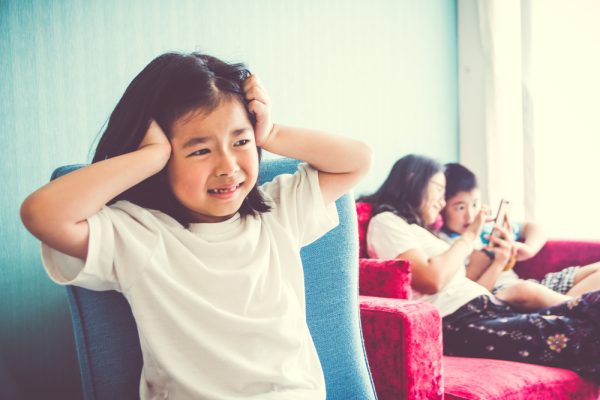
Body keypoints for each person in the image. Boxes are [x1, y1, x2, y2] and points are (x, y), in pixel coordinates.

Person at [20, 51, 372, 399]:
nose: (228, 166)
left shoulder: (278, 212)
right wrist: (150, 157)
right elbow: (42, 214)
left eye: (241, 141)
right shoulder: (139, 235)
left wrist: (272, 132)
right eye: (199, 151)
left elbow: (357, 161)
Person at [362, 154, 600, 383]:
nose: (442, 202)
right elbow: (431, 279)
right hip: (457, 320)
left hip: (484, 307)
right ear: (412, 179)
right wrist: (469, 237)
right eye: (439, 189)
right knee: (576, 334)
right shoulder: (386, 222)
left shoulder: (416, 230)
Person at [441, 162, 600, 311]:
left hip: (530, 286)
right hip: (502, 295)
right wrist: (496, 262)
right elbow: (472, 298)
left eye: (475, 204)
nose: (470, 215)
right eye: (460, 207)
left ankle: (569, 308)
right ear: (442, 207)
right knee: (524, 290)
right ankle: (576, 310)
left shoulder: (487, 228)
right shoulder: (445, 244)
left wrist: (528, 249)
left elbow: (536, 227)